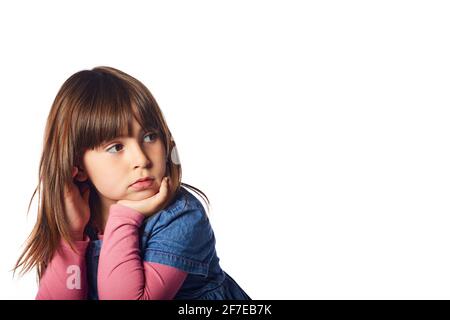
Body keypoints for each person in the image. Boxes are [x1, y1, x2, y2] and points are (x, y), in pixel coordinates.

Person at [14, 66, 250, 300]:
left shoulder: (181, 216)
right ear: (79, 165)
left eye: (149, 137)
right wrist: (72, 238)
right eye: (115, 147)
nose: (142, 159)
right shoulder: (80, 218)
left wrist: (124, 215)